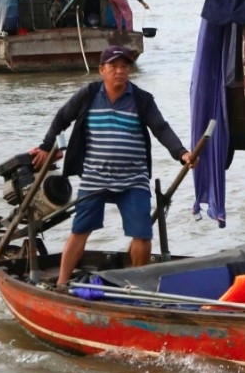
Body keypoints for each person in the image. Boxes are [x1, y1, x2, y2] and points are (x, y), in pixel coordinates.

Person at [31, 45, 193, 289]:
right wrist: (45, 146)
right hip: (95, 177)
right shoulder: (89, 95)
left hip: (133, 179)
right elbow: (62, 117)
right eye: (114, 67)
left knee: (142, 234)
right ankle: (62, 283)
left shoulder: (141, 99)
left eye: (124, 67)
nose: (120, 71)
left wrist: (182, 153)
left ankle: (140, 286)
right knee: (80, 230)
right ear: (102, 70)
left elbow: (161, 129)